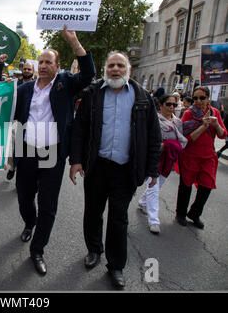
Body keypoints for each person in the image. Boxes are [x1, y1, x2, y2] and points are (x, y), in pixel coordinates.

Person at [69, 51, 161, 288]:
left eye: (121, 65)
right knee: (92, 212)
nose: (116, 69)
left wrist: (152, 169)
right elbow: (79, 128)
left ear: (128, 70)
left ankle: (116, 265)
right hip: (97, 166)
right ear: (105, 69)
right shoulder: (92, 94)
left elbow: (153, 135)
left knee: (119, 218)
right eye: (111, 65)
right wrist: (76, 160)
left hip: (126, 170)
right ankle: (94, 250)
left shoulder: (142, 97)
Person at [14, 25, 95, 276]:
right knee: (24, 198)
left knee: (48, 204)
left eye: (48, 61)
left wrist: (74, 42)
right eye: (40, 61)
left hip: (52, 153)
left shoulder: (65, 84)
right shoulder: (25, 89)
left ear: (57, 66)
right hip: (26, 151)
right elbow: (15, 120)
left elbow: (88, 74)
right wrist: (11, 154)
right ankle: (30, 222)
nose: (43, 65)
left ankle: (38, 249)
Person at [176, 86, 227, 229]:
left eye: (202, 98)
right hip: (190, 156)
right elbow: (186, 139)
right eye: (195, 98)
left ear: (208, 98)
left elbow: (223, 134)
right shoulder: (188, 114)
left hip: (208, 156)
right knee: (185, 186)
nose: (198, 101)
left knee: (207, 186)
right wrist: (203, 126)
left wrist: (216, 124)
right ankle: (180, 213)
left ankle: (194, 214)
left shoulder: (215, 112)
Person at [138, 94, 188, 234]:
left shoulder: (177, 122)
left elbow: (180, 140)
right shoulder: (154, 119)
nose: (171, 107)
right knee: (154, 188)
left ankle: (142, 202)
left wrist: (172, 146)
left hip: (168, 159)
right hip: (155, 158)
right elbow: (149, 140)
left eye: (174, 104)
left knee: (157, 185)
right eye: (168, 104)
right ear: (161, 105)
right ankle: (154, 220)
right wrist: (162, 146)